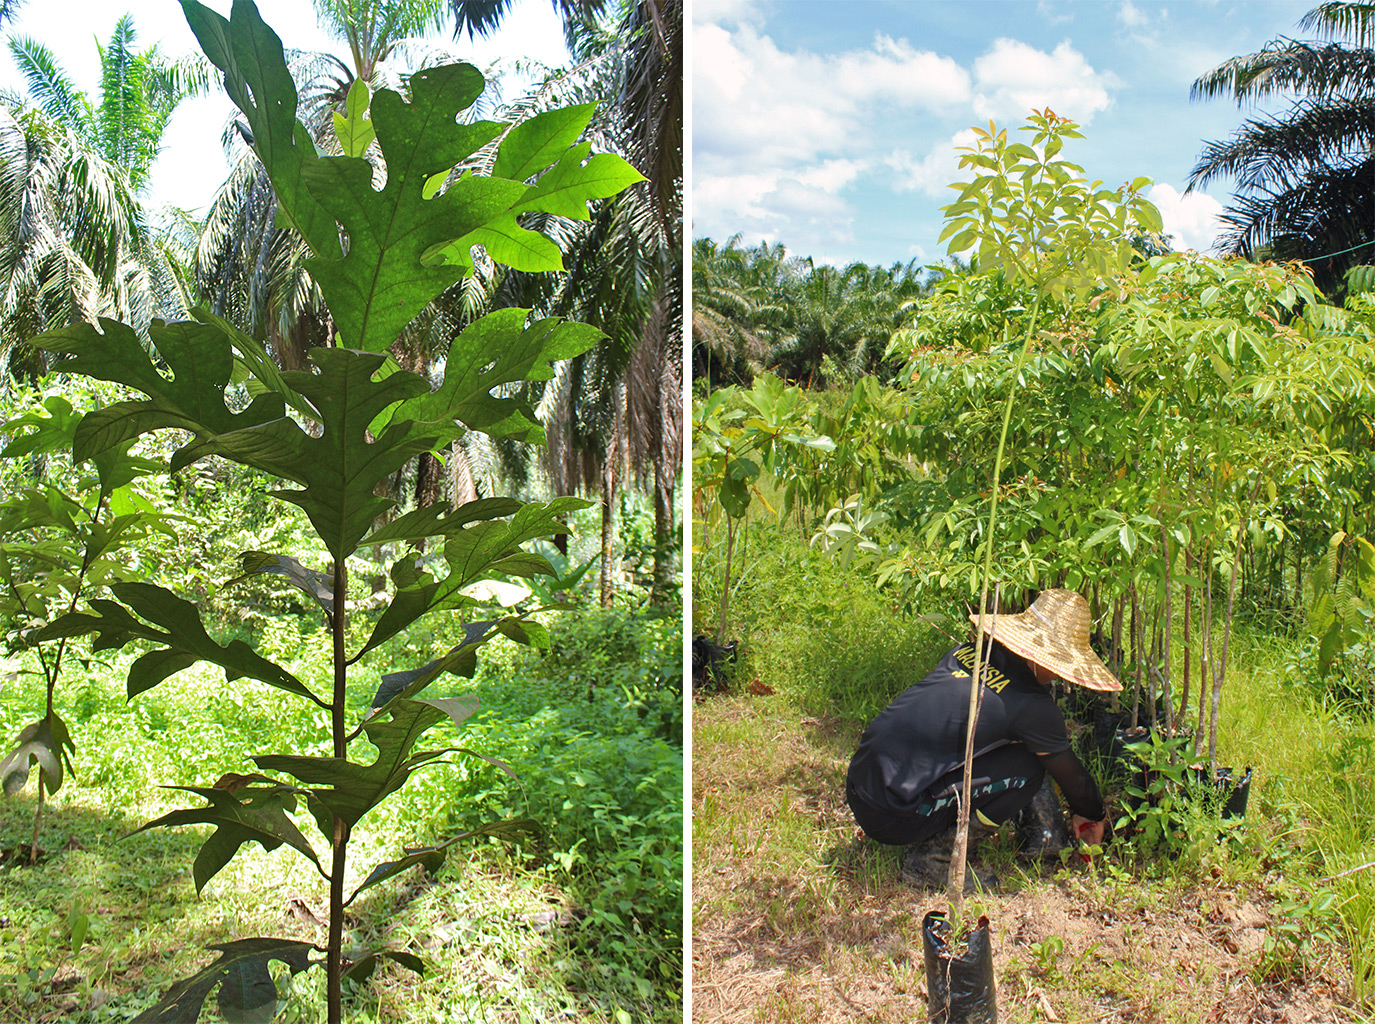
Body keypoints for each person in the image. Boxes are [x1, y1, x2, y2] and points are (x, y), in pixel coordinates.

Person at [845, 589, 1119, 889]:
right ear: (1044, 660)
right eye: (1059, 667)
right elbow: (1071, 777)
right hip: (892, 814)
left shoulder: (967, 651)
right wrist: (1093, 813)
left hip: (861, 784)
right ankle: (933, 861)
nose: (1060, 676)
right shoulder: (1033, 707)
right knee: (1029, 769)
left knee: (1021, 749)